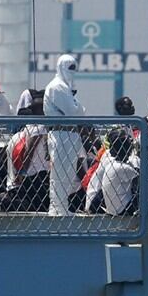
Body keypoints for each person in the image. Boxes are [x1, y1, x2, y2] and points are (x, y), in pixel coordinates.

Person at [43, 54, 87, 216]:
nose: (72, 72)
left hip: (69, 134)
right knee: (60, 174)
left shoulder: (65, 87)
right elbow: (73, 112)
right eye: (70, 68)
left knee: (68, 174)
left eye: (74, 68)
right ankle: (57, 208)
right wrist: (77, 105)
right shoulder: (57, 87)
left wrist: (76, 104)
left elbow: (79, 112)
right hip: (61, 134)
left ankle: (62, 207)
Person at [86, 130, 139, 216]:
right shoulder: (120, 166)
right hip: (100, 201)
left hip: (105, 204)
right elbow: (140, 181)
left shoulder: (111, 162)